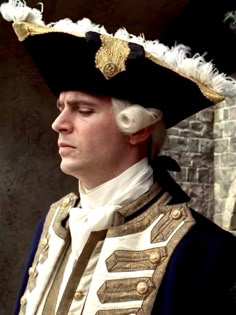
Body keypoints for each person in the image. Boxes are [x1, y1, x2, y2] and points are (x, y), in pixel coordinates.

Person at [1, 1, 236, 314]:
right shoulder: (53, 225)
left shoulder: (204, 249)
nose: (59, 124)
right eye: (62, 108)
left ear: (137, 130)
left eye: (83, 110)